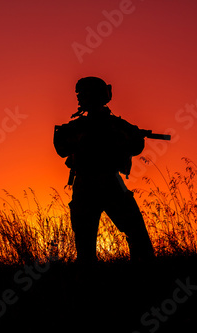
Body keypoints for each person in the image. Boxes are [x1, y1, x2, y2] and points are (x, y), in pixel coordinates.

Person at [53, 76, 155, 263]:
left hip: (107, 182)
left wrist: (122, 136)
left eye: (82, 95)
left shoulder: (114, 125)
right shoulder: (79, 127)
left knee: (135, 232)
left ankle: (142, 274)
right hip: (92, 183)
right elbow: (61, 147)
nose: (79, 98)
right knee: (86, 243)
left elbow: (135, 146)